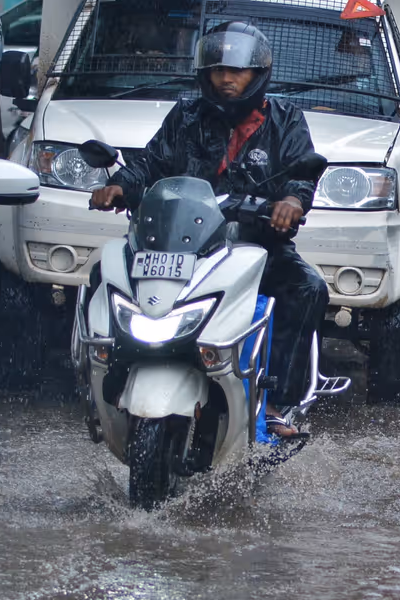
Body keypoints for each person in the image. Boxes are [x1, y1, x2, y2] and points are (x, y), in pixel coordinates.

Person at [90, 21, 327, 438]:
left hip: (254, 243)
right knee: (103, 274)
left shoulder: (285, 119)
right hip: (182, 244)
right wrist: (120, 186)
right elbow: (150, 163)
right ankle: (102, 382)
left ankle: (276, 403)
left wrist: (291, 201)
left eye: (237, 71)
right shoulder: (185, 116)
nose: (226, 79)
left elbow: (300, 172)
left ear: (258, 74)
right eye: (218, 70)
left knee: (307, 288)